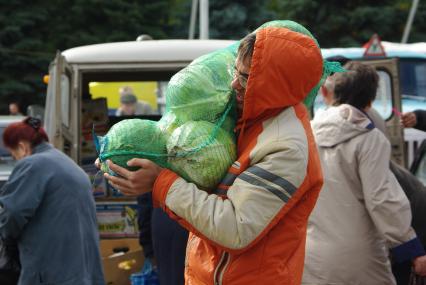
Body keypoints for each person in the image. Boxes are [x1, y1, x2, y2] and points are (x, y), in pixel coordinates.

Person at [103, 24, 325, 284]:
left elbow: (235, 228)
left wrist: (160, 182)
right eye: (235, 72)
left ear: (275, 85)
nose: (233, 84)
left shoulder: (285, 146)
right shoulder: (246, 121)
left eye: (245, 77)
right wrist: (126, 154)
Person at [303, 61, 426, 285]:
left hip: (309, 260)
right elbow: (382, 199)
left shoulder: (305, 135)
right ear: (370, 102)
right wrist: (412, 250)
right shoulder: (369, 139)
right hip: (361, 262)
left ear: (326, 93)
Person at [1, 117, 105, 285]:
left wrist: (6, 238)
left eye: (14, 155)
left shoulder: (33, 165)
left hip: (52, 273)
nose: (16, 160)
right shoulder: (68, 164)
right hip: (84, 272)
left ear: (22, 147)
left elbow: (12, 214)